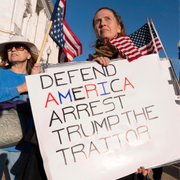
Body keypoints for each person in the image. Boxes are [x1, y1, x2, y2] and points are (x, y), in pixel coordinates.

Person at [90, 7, 153, 180]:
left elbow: (150, 104)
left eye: (107, 19)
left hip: (133, 146)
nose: (102, 23)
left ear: (119, 27)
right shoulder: (89, 63)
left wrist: (151, 154)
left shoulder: (135, 58)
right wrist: (92, 71)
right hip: (101, 151)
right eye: (98, 21)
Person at [0, 35, 41, 180]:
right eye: (9, 48)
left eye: (19, 47)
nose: (12, 49)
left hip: (22, 145)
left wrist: (35, 81)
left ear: (29, 54)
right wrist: (22, 88)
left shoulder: (38, 77)